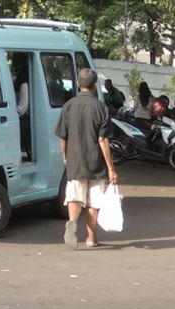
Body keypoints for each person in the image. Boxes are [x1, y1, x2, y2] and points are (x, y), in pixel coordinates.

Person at [54, 67, 118, 249]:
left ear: (77, 84)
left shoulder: (68, 106)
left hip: (75, 160)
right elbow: (103, 140)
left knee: (75, 197)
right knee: (94, 202)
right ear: (95, 85)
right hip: (96, 162)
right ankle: (91, 239)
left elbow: (62, 137)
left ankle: (72, 222)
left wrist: (65, 157)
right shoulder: (101, 107)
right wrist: (111, 168)